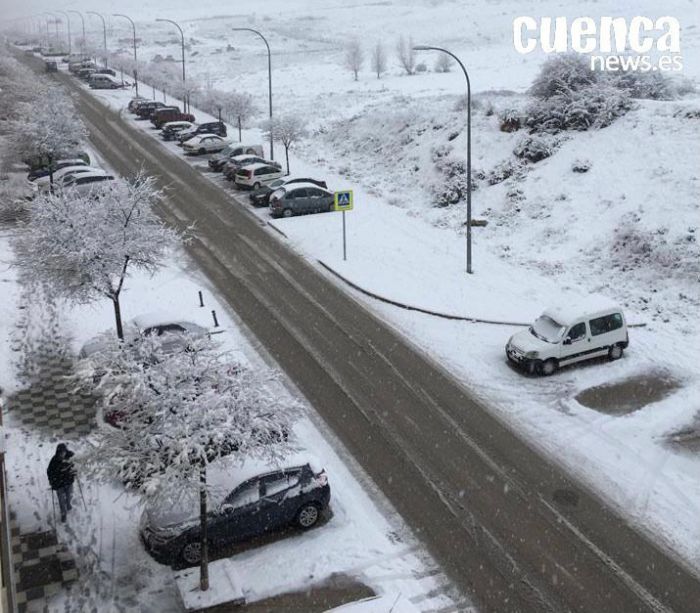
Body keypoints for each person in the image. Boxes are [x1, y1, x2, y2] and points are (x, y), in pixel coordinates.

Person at [47, 443, 76, 522]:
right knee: (61, 500)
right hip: (59, 484)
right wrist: (51, 481)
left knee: (69, 496)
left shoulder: (69, 457)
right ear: (58, 452)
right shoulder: (54, 460)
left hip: (69, 481)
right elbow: (49, 472)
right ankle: (63, 513)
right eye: (60, 452)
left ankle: (68, 504)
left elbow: (75, 463)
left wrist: (74, 470)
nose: (62, 454)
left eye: (63, 452)